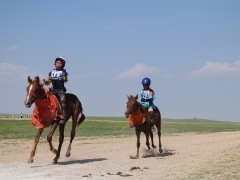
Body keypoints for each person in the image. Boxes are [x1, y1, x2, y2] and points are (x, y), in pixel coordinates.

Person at [45, 57, 68, 124]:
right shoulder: (51, 72)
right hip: (52, 90)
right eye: (57, 62)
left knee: (63, 101)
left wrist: (53, 78)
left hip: (60, 90)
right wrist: (46, 82)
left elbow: (63, 79)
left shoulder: (64, 72)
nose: (58, 64)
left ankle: (63, 116)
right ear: (55, 63)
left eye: (60, 63)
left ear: (62, 65)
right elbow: (48, 81)